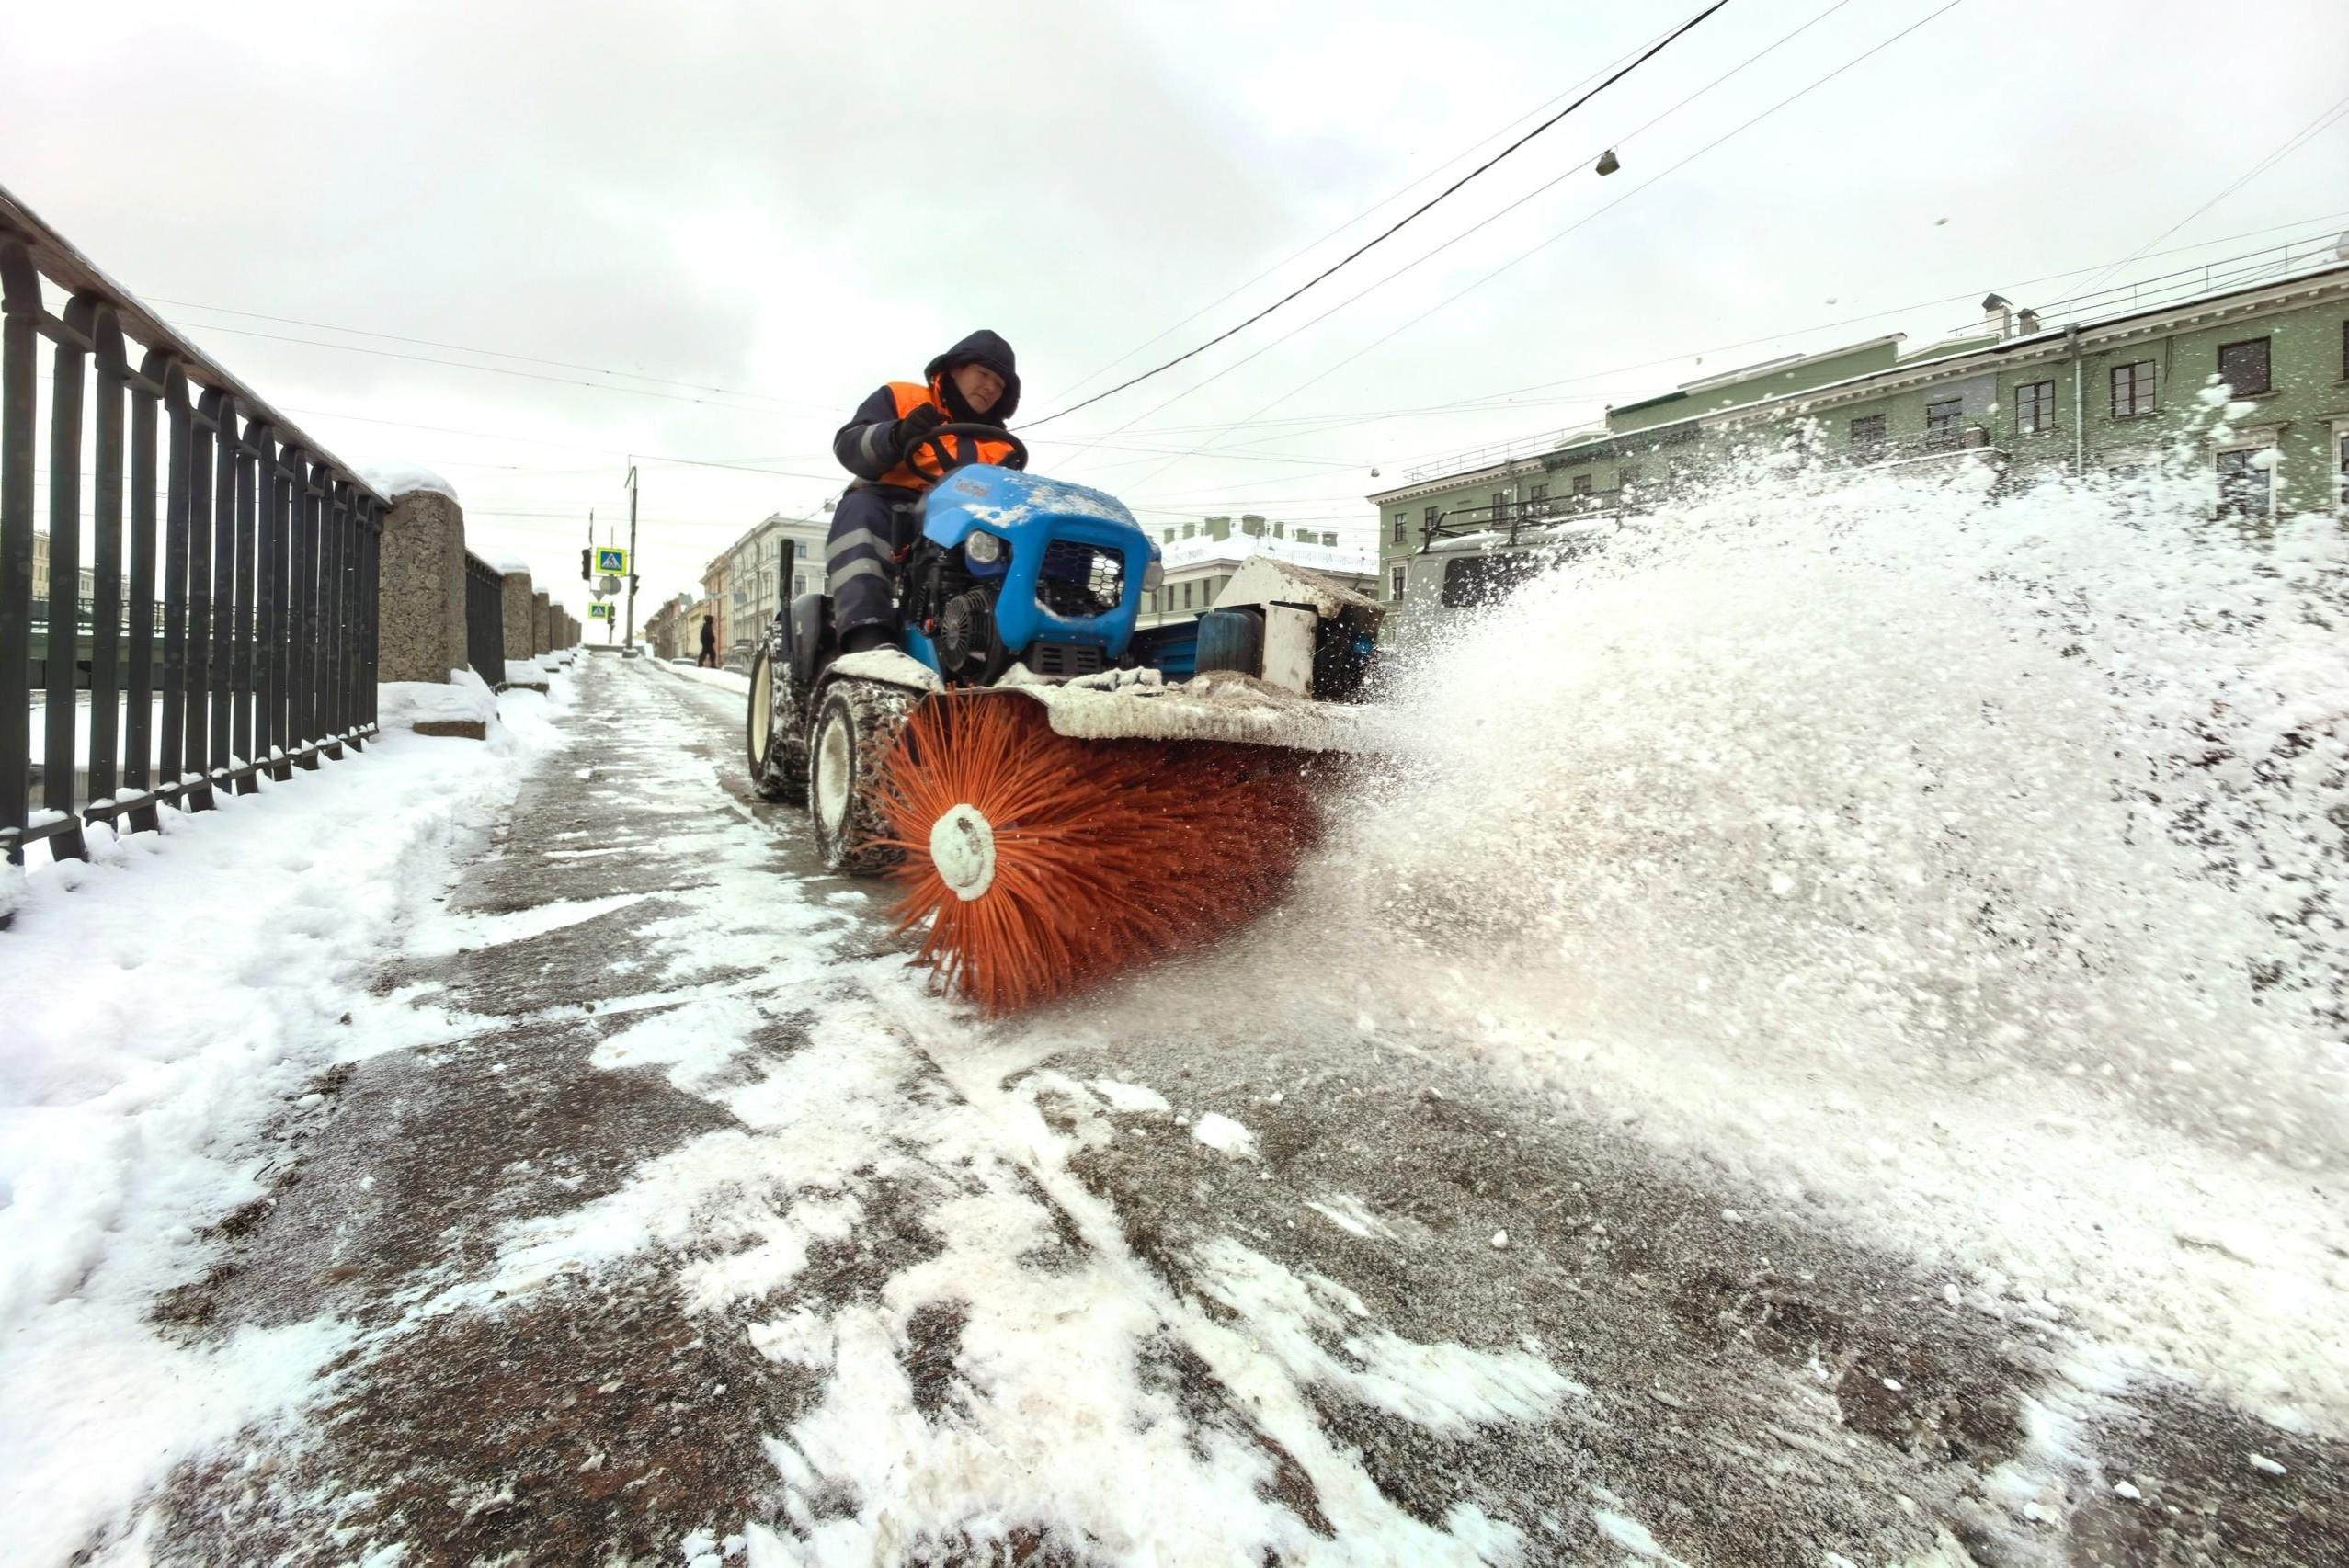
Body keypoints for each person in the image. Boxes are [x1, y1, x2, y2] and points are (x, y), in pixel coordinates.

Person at [827, 330, 1021, 653]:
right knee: (860, 511)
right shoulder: (901, 398)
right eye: (984, 374)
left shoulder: (1000, 444)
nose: (990, 388)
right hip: (889, 505)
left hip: (959, 524)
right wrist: (896, 435)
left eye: (1000, 385)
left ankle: (989, 642)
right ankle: (869, 639)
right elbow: (849, 446)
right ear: (955, 368)